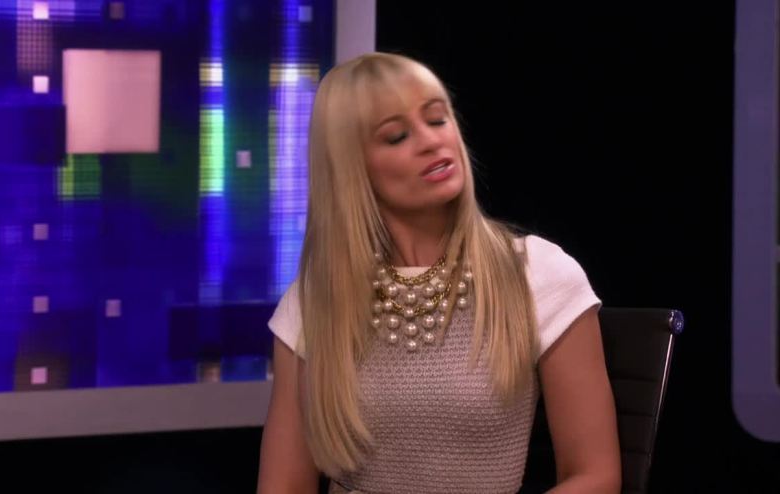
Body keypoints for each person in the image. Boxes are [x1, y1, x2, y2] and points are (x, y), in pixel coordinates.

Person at [257, 52, 620, 494]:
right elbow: (283, 485)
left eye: (437, 119)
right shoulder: (314, 299)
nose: (432, 141)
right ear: (351, 168)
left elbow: (596, 477)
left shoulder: (537, 274)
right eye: (397, 136)